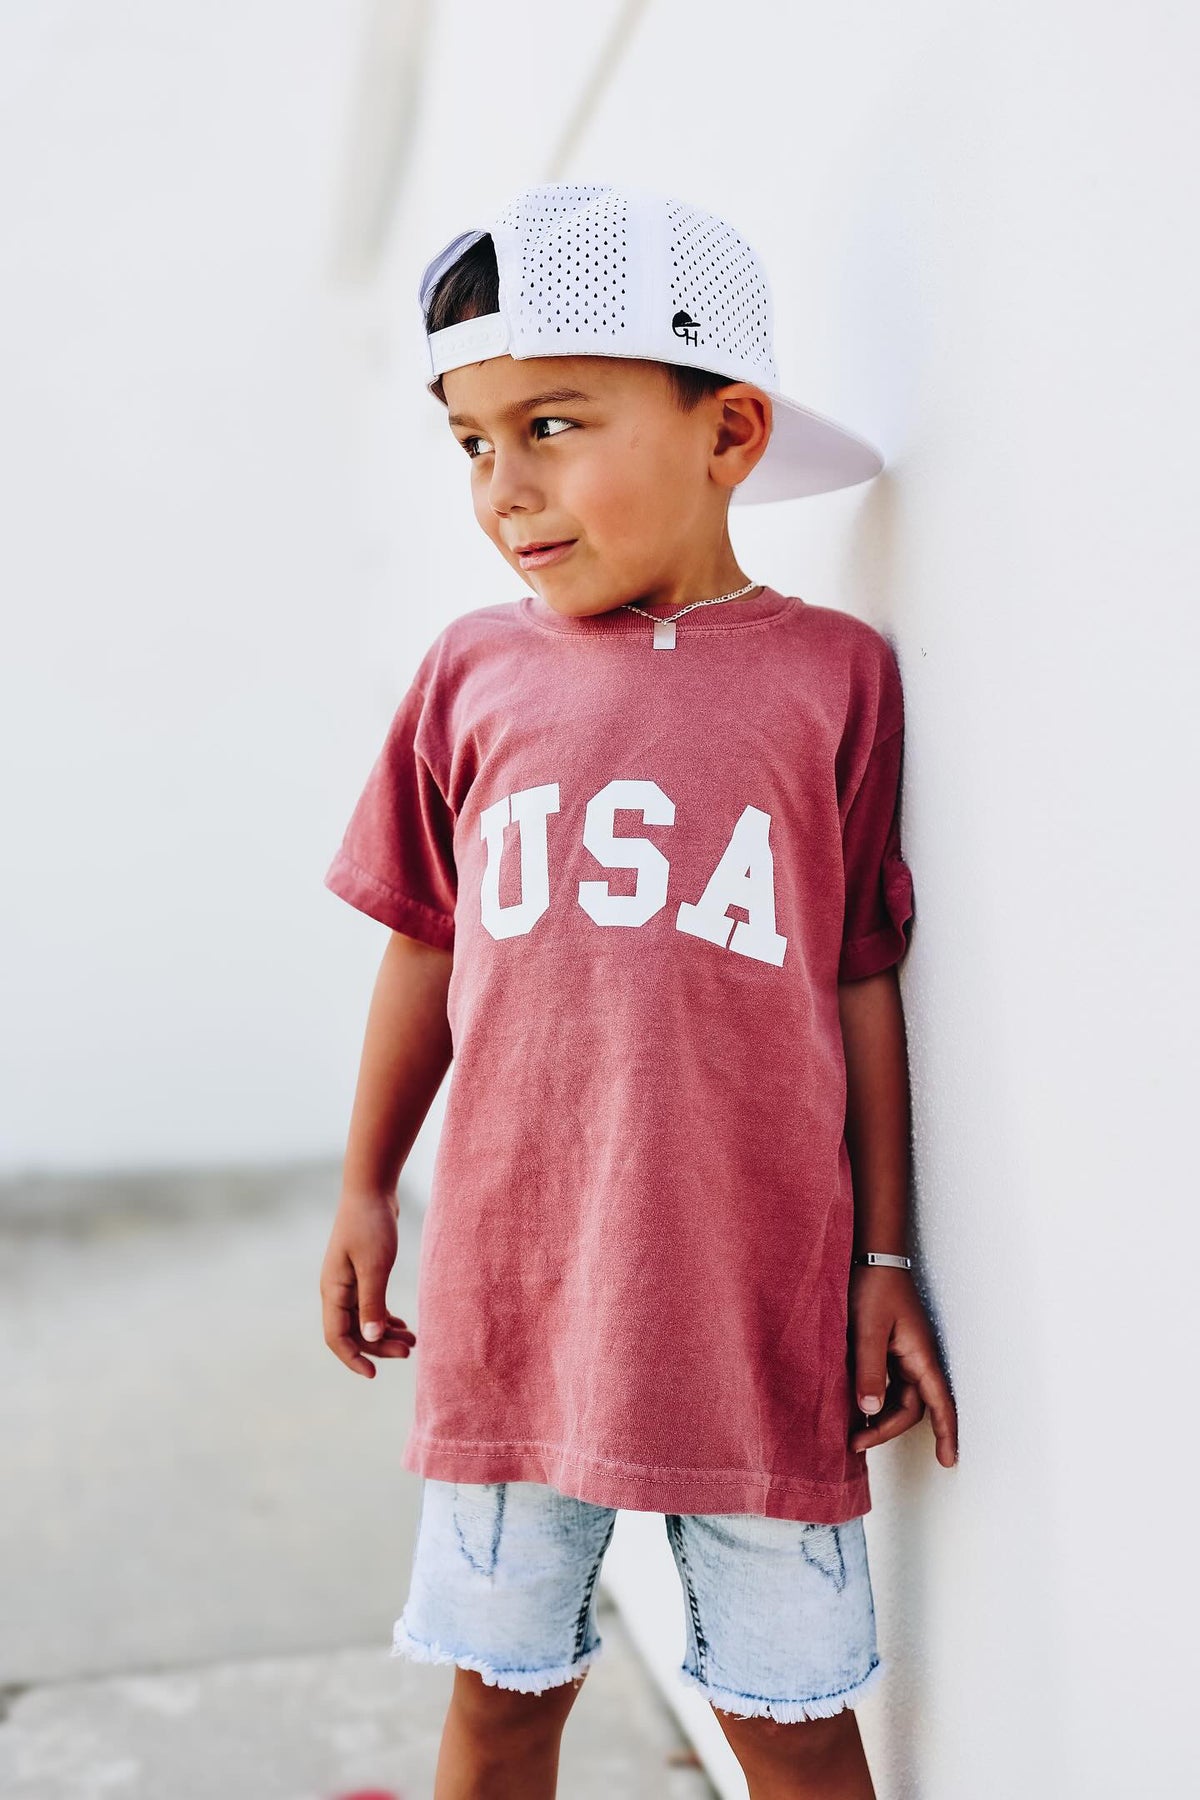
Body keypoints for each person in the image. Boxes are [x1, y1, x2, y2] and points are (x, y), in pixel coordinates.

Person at [319, 182, 958, 1800]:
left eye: (549, 424)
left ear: (728, 432)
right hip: (513, 1308)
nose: (503, 489)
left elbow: (859, 973)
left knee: (796, 1731)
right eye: (470, 441)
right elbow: (426, 938)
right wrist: (363, 1185)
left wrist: (886, 1253)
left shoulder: (834, 679)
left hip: (756, 1318)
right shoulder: (472, 673)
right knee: (502, 1703)